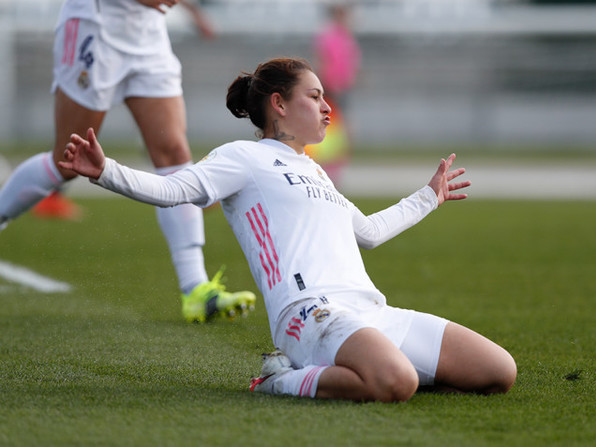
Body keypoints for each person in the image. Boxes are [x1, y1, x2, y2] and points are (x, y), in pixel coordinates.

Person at [59, 58, 517, 402]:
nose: (326, 106)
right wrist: (106, 172)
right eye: (314, 96)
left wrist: (428, 196)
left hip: (370, 311)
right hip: (308, 313)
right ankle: (279, 378)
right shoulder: (242, 156)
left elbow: (369, 232)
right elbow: (175, 190)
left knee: (499, 371)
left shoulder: (316, 172)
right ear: (278, 103)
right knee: (396, 382)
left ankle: (368, 368)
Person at [0, 0, 255, 323]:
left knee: (175, 155)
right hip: (94, 27)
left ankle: (196, 288)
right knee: (67, 158)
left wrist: (192, 11)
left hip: (147, 33)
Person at [306, 2, 361, 185]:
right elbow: (322, 60)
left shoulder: (346, 36)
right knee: (330, 128)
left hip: (342, 88)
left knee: (341, 130)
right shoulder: (328, 35)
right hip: (330, 87)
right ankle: (325, 167)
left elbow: (350, 63)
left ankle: (334, 167)